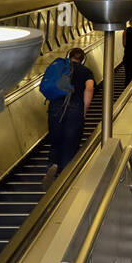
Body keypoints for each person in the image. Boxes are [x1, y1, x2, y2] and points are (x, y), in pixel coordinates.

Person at [44, 47, 95, 188]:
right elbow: (89, 88)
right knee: (70, 145)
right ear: (83, 59)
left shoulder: (59, 67)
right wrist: (84, 111)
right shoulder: (86, 71)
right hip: (74, 108)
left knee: (56, 142)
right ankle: (65, 182)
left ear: (68, 56)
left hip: (55, 107)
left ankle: (51, 166)